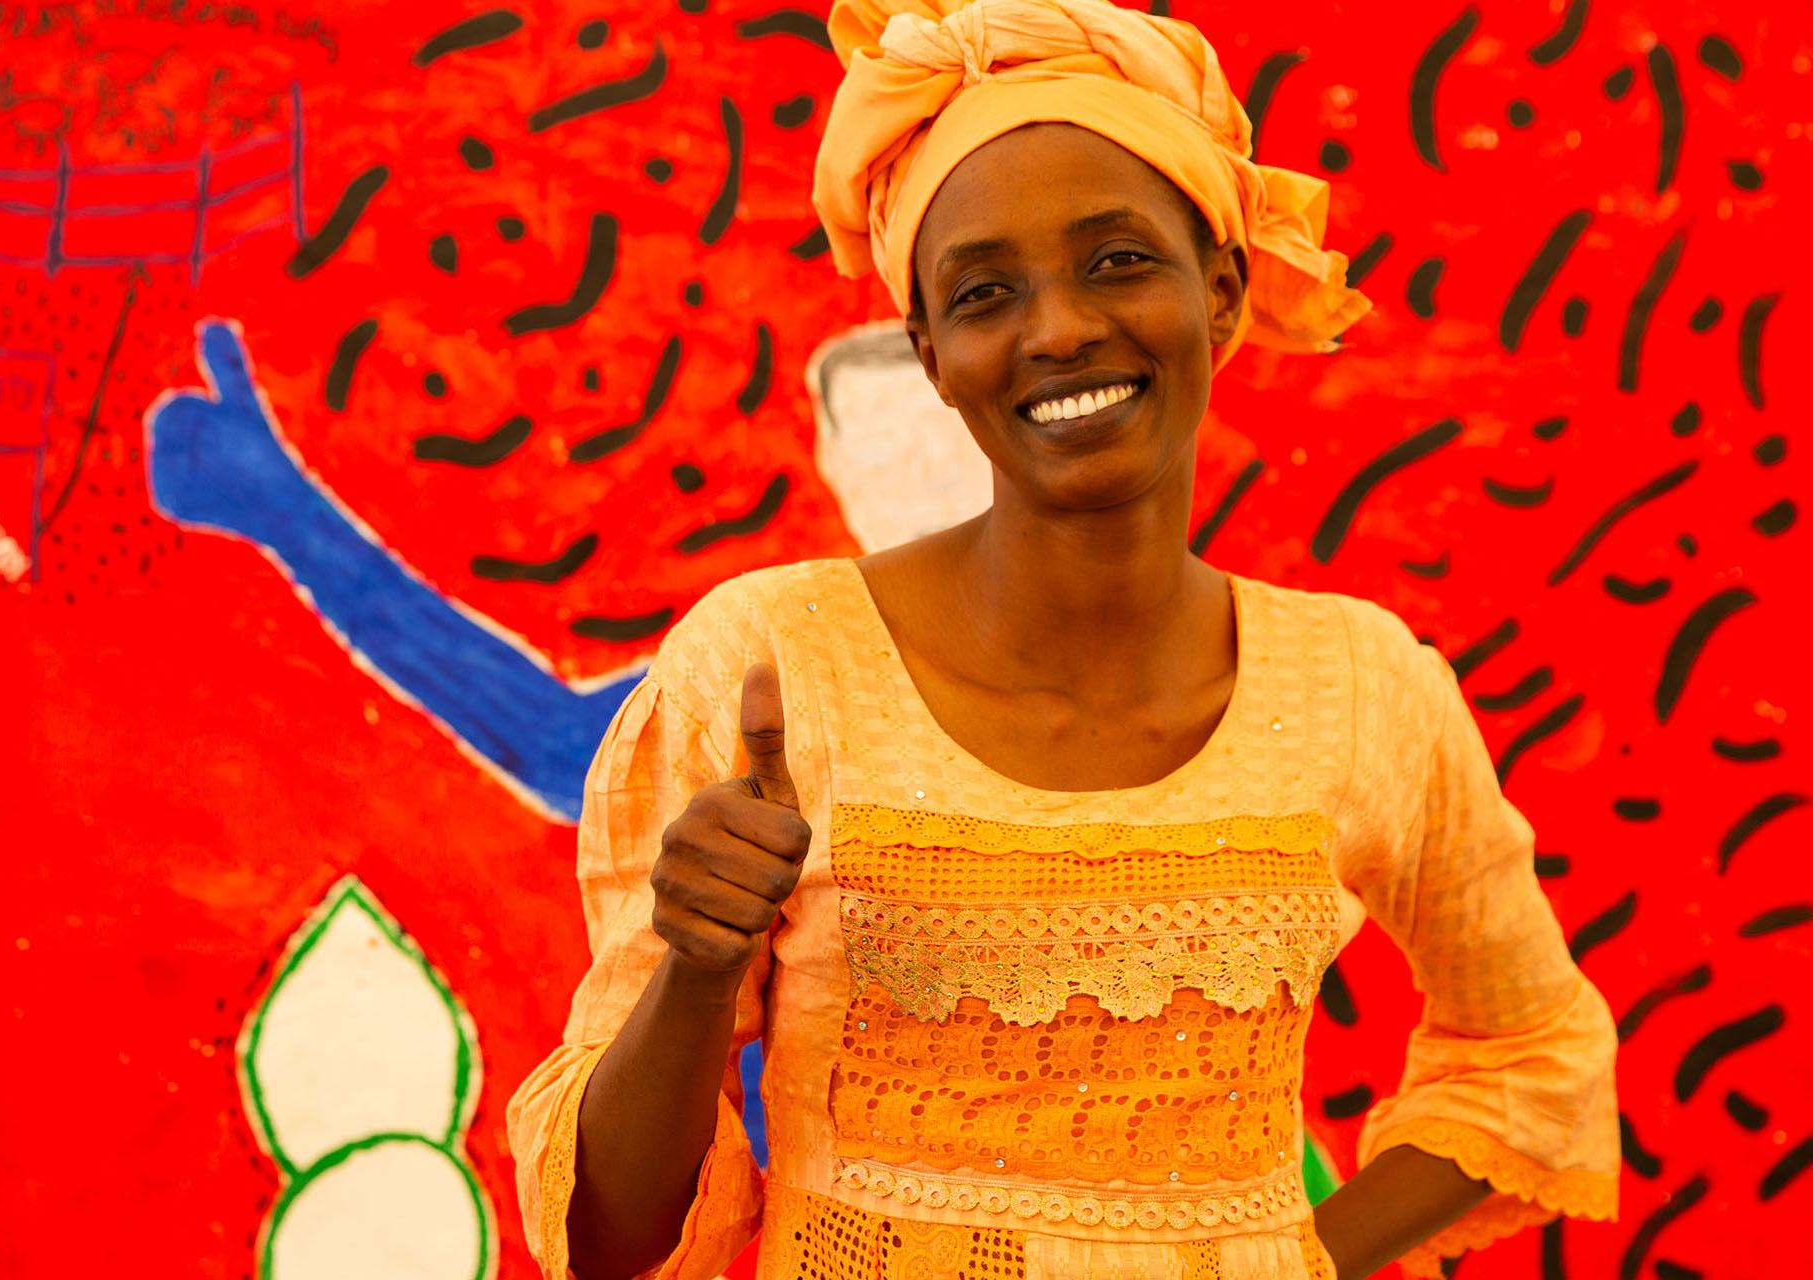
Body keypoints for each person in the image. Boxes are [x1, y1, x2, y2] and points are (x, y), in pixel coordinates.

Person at [505, 1, 1621, 1276]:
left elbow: (1534, 1051)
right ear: (931, 353)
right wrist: (699, 975)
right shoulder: (771, 662)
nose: (1057, 329)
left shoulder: (1363, 687)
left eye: (1115, 260)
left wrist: (1300, 1255)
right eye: (985, 291)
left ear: (1223, 289)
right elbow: (612, 1238)